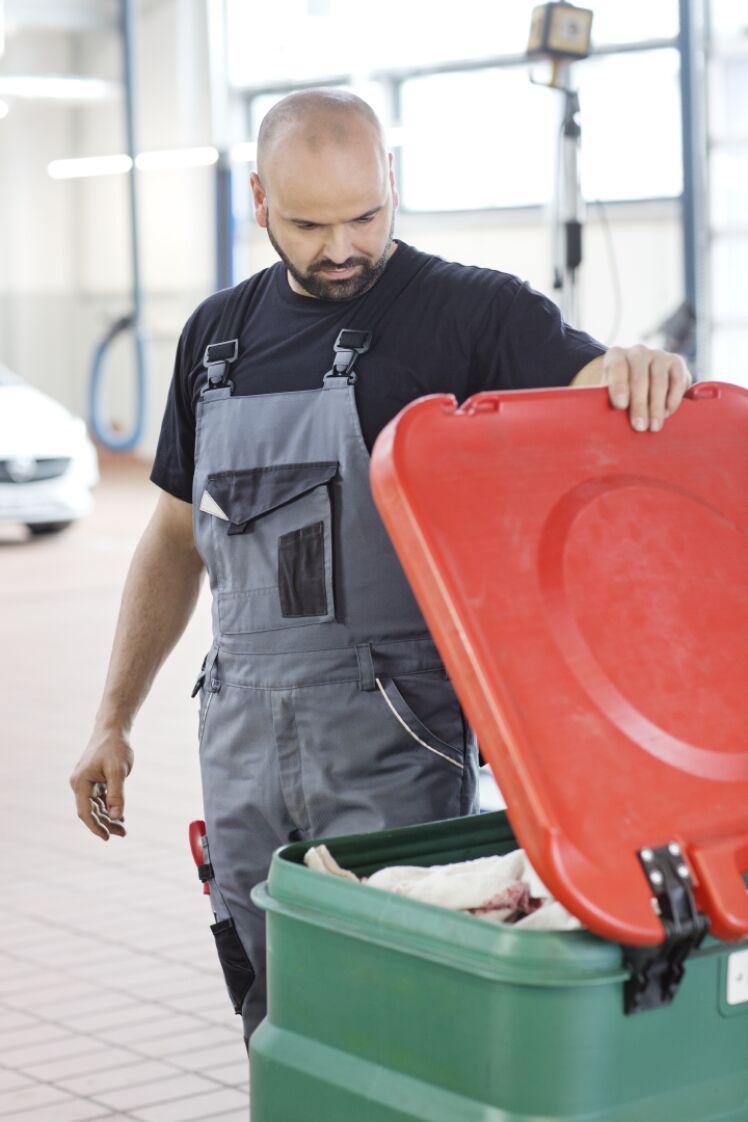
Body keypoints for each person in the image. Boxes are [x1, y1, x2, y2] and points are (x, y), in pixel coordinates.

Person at [70, 89, 692, 1044]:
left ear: (392, 179)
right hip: (238, 740)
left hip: (395, 738)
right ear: (258, 199)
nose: (342, 249)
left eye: (365, 216)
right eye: (309, 225)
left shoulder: (472, 313)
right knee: (271, 998)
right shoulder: (215, 338)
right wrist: (112, 718)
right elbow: (170, 536)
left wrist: (636, 369)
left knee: (404, 1008)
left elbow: (597, 397)